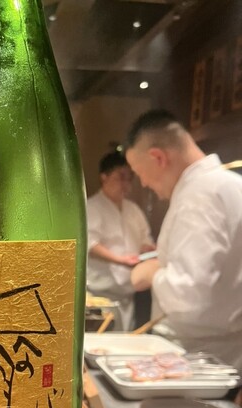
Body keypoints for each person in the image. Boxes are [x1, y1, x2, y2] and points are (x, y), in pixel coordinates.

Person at [126, 109, 242, 375]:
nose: (143, 183)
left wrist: (152, 273)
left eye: (138, 172)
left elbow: (189, 296)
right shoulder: (232, 185)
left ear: (158, 157)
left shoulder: (199, 197)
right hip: (227, 356)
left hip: (199, 362)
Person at [87, 151, 155, 330]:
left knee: (126, 338)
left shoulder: (133, 210)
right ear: (104, 177)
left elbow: (145, 238)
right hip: (99, 294)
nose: (126, 184)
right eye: (121, 177)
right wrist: (120, 260)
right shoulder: (92, 207)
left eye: (129, 178)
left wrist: (147, 249)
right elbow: (90, 245)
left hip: (128, 292)